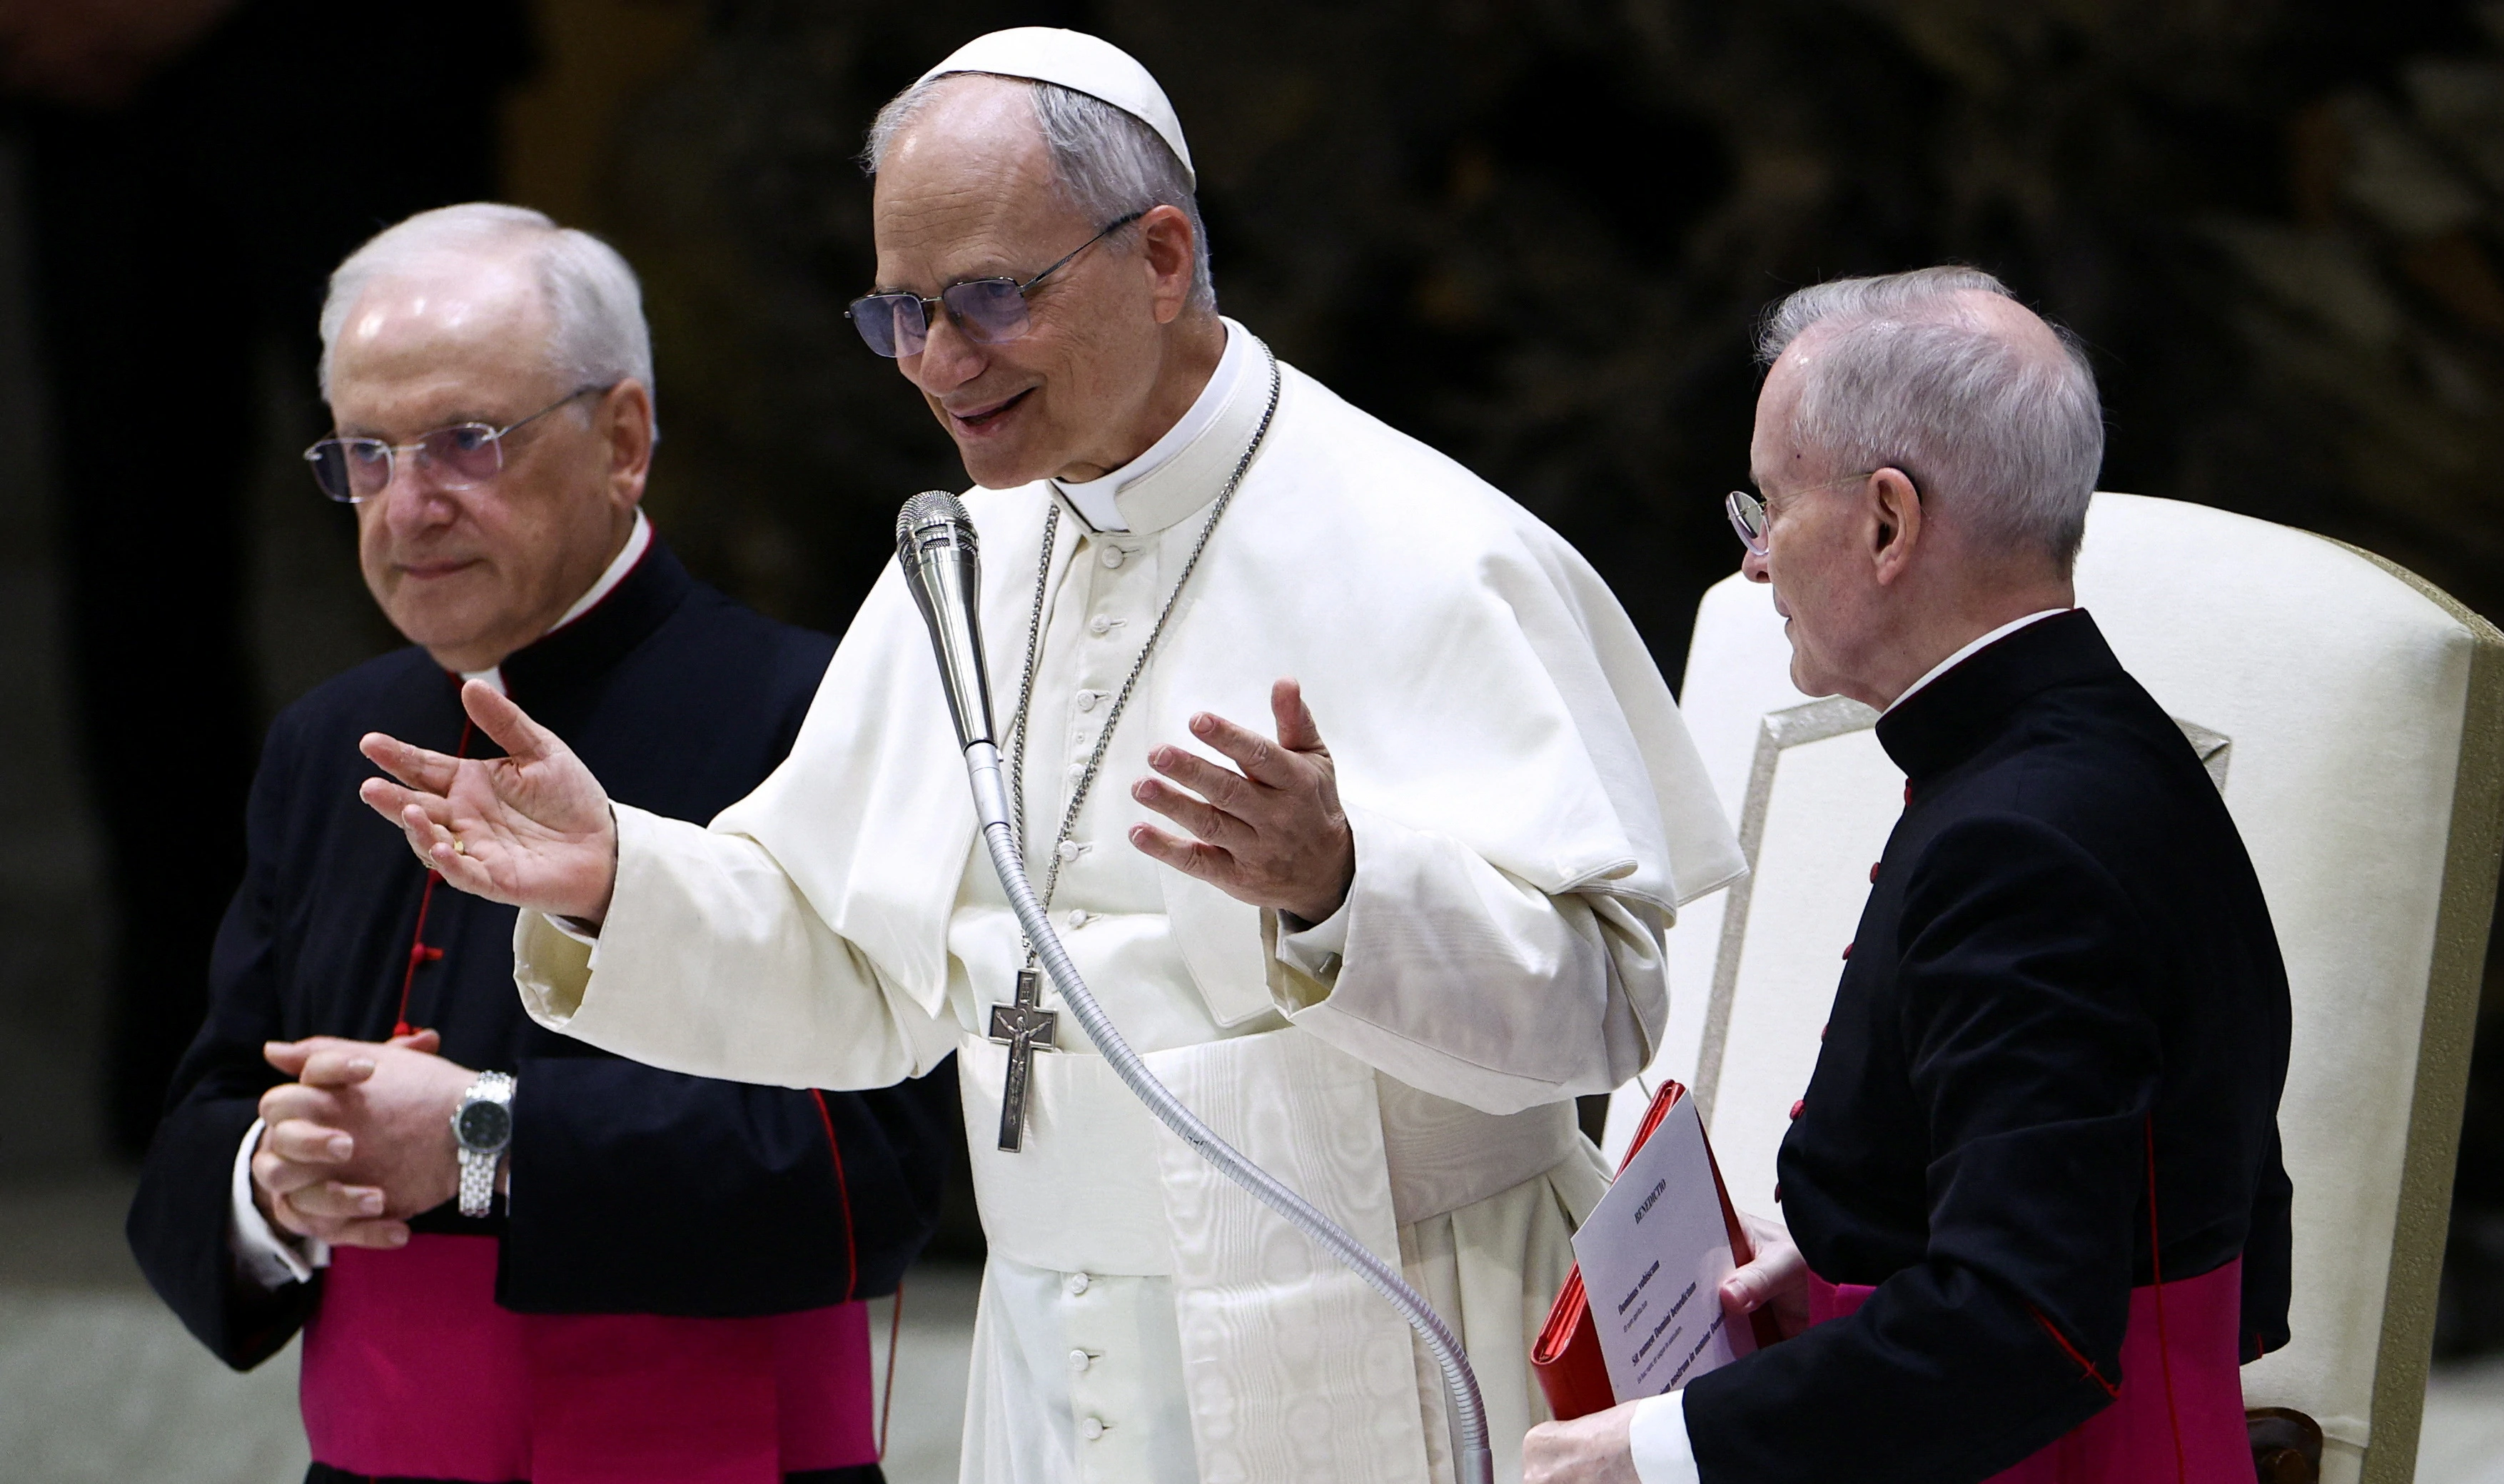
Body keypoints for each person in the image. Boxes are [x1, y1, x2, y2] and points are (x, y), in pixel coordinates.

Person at [355, 28, 1744, 1484]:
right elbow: (861, 977)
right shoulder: (968, 555)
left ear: (1159, 257)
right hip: (1057, 1361)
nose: (940, 363)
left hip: (1381, 1323)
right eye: (899, 312)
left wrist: (1345, 889)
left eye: (991, 299)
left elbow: (1615, 997)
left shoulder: (1432, 551)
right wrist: (618, 879)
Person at [126, 203, 959, 1484]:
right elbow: (200, 1118)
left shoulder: (818, 714)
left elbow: (883, 1162)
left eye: (465, 442)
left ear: (622, 440)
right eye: (365, 452)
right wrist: (275, 1176)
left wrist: (482, 1142)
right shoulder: (322, 743)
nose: (407, 508)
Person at [1525, 266, 2294, 1483]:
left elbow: (2027, 1323)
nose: (1753, 566)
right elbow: (2183, 1174)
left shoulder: (2021, 840)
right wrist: (1857, 1266)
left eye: (1768, 507)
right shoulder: (2106, 745)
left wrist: (1670, 1446)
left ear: (1888, 522)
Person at [1, 0, 533, 1154]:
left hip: (349, 61)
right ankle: (196, 1068)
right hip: (88, 100)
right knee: (132, 565)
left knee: (470, 514)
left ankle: (537, 1015)